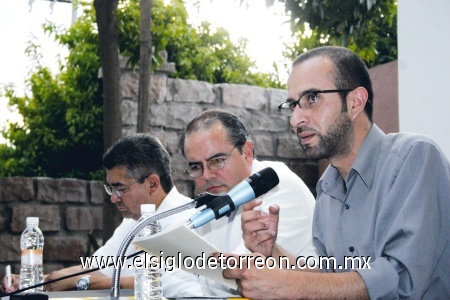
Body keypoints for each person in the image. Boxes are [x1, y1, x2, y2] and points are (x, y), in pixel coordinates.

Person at [222, 46, 450, 299]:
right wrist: (274, 252)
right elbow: (333, 280)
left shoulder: (414, 157)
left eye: (311, 98)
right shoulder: (327, 187)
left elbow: (402, 280)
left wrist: (288, 286)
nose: (295, 119)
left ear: (355, 102)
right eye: (292, 105)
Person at [2, 134, 202, 296]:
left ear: (152, 183)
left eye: (120, 188)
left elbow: (168, 283)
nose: (114, 199)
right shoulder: (134, 221)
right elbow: (96, 267)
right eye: (110, 189)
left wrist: (85, 283)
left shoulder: (191, 219)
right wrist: (36, 281)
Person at [179, 109, 317, 296]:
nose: (206, 175)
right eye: (196, 166)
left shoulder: (278, 185)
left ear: (247, 152)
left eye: (217, 160)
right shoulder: (217, 195)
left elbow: (238, 277)